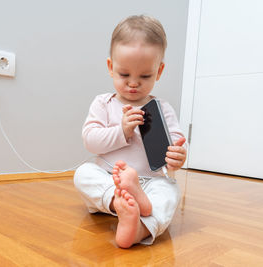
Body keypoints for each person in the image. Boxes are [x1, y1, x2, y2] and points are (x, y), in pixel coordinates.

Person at [73, 15, 187, 248]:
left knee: (170, 191)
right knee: (83, 174)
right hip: (109, 180)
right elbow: (90, 141)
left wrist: (178, 156)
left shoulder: (162, 108)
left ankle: (140, 227)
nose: (133, 83)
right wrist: (122, 130)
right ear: (110, 67)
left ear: (159, 71)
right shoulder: (103, 103)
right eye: (124, 74)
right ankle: (120, 202)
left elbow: (176, 141)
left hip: (150, 182)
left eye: (144, 76)